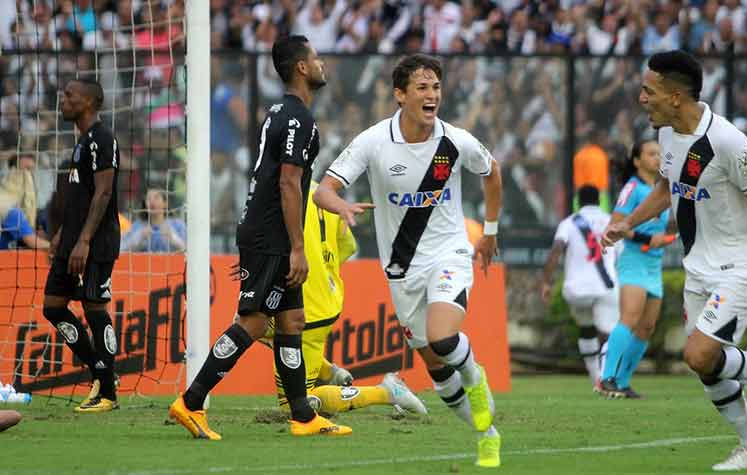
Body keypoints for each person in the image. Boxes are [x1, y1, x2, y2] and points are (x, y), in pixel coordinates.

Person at [602, 50, 747, 471]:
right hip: (699, 266)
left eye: (648, 90)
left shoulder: (727, 142)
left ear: (675, 97)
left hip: (743, 264)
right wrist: (627, 224)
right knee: (707, 367)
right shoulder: (668, 135)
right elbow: (664, 189)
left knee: (698, 354)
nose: (641, 98)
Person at [314, 54, 503, 468]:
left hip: (448, 255)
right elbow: (322, 190)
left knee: (443, 337)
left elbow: (492, 172)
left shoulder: (455, 141)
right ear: (400, 95)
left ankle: (476, 378)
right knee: (435, 367)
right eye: (421, 87)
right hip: (401, 270)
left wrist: (489, 232)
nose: (431, 94)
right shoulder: (373, 141)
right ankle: (486, 435)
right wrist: (341, 206)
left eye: (435, 87)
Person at [169, 35, 351, 440]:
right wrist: (296, 248)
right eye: (316, 58)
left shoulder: (281, 113)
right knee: (252, 323)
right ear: (302, 68)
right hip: (271, 235)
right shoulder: (298, 118)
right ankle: (191, 401)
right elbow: (289, 182)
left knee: (292, 321)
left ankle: (303, 416)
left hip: (267, 231)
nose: (322, 64)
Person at [252, 182, 427, 416]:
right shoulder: (322, 193)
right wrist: (324, 272)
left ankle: (387, 392)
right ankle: (329, 372)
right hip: (325, 300)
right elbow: (349, 246)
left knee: (294, 404)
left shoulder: (282, 193)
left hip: (303, 308)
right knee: (250, 324)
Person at [41, 78, 121, 413]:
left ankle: (106, 393)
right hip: (73, 240)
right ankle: (101, 373)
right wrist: (63, 234)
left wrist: (84, 239)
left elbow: (103, 193)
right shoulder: (82, 141)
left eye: (70, 95)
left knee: (94, 308)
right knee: (53, 306)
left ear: (89, 102)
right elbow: (81, 195)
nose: (64, 100)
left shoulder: (102, 138)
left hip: (96, 242)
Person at [599, 140, 674, 399]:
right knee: (630, 319)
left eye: (660, 154)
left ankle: (622, 381)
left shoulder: (660, 190)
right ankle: (606, 378)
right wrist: (644, 239)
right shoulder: (632, 188)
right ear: (637, 161)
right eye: (651, 154)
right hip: (634, 261)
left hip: (654, 264)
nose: (658, 158)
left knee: (647, 327)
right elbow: (616, 225)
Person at [540, 185, 619, 390]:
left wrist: (546, 282)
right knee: (609, 334)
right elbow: (620, 252)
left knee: (586, 328)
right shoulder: (611, 220)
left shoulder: (569, 222)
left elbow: (556, 250)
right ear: (599, 200)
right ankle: (606, 378)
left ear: (578, 202)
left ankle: (595, 379)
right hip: (605, 286)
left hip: (576, 289)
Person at [120, 189, 186, 253]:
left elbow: (190, 251)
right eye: (148, 198)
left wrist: (173, 238)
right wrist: (138, 238)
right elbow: (121, 249)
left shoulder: (178, 225)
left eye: (156, 198)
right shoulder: (137, 226)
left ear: (165, 203)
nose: (152, 201)